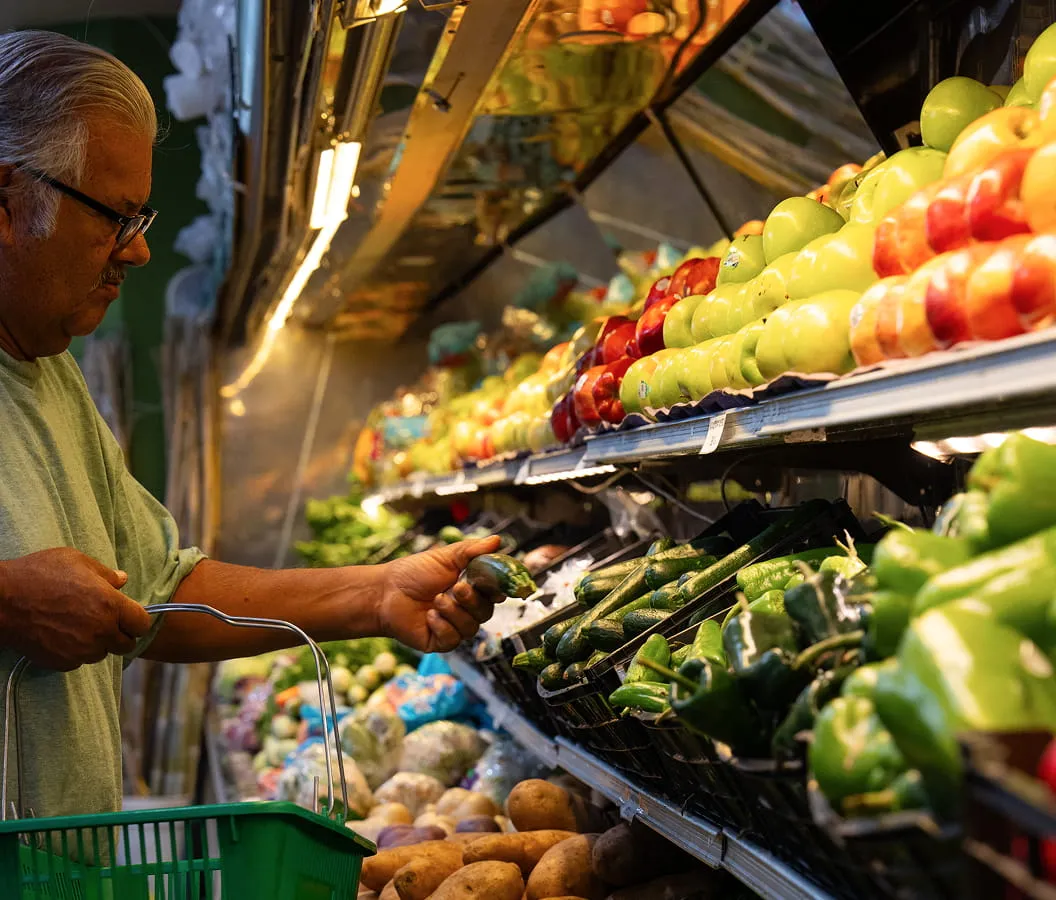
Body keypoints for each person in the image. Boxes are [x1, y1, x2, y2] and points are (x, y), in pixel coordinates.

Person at [0, 30, 500, 820]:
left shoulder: (48, 370)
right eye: (117, 217)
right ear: (4, 204)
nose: (140, 251)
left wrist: (375, 596)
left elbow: (161, 589)